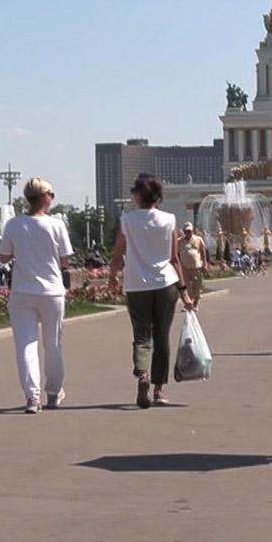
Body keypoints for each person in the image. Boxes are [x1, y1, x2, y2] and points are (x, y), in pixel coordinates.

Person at [108, 173, 196, 408]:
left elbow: (118, 253)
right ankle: (158, 390)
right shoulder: (168, 220)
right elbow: (174, 259)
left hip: (137, 285)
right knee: (161, 336)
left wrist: (112, 277)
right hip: (166, 284)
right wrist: (184, 291)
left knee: (141, 335)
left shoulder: (127, 220)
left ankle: (143, 374)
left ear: (138, 195)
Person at [0, 178, 74, 414]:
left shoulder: (13, 224)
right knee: (53, 345)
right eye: (51, 193)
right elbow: (65, 260)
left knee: (25, 345)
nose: (52, 197)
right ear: (44, 197)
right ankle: (53, 392)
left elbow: (3, 257)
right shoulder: (56, 225)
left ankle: (32, 397)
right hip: (51, 291)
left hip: (22, 292)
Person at [178, 222, 209, 305]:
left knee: (197, 286)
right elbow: (176, 253)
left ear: (192, 231)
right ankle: (189, 303)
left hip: (197, 267)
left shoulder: (198, 239)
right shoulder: (180, 241)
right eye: (186, 231)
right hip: (185, 268)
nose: (188, 232)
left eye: (189, 231)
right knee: (187, 287)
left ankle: (196, 301)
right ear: (184, 231)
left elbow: (203, 252)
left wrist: (205, 264)